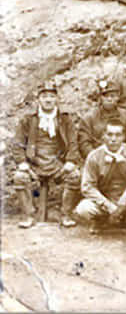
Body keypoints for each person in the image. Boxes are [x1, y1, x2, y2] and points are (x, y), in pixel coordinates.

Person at [12, 80, 82, 228]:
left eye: (51, 96)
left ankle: (66, 215)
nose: (48, 100)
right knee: (19, 177)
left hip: (57, 165)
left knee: (74, 175)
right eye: (44, 96)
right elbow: (17, 144)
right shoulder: (28, 120)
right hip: (34, 165)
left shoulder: (65, 119)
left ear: (57, 98)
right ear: (38, 99)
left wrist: (70, 161)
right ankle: (28, 216)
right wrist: (22, 163)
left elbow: (73, 142)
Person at [75, 120, 126, 233]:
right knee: (83, 208)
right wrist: (107, 205)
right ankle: (101, 220)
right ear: (103, 136)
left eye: (118, 135)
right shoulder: (94, 156)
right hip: (105, 200)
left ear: (123, 136)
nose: (113, 139)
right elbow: (87, 186)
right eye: (109, 134)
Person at [78, 79, 126, 160]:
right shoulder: (89, 118)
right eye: (105, 96)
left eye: (112, 96)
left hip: (122, 157)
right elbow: (84, 144)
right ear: (100, 98)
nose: (109, 99)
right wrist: (97, 159)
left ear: (118, 97)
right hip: (97, 158)